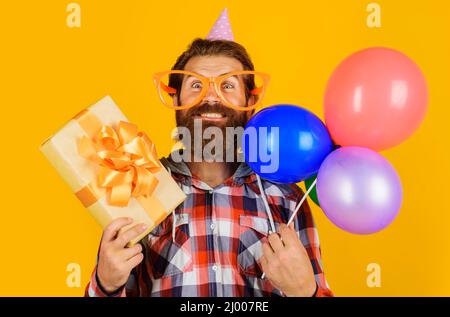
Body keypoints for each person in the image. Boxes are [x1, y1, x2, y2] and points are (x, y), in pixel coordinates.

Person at [85, 10, 333, 298]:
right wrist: (105, 284)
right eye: (195, 85)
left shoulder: (287, 200)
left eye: (228, 85)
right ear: (176, 100)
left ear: (249, 102)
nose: (212, 96)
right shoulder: (137, 189)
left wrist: (306, 291)